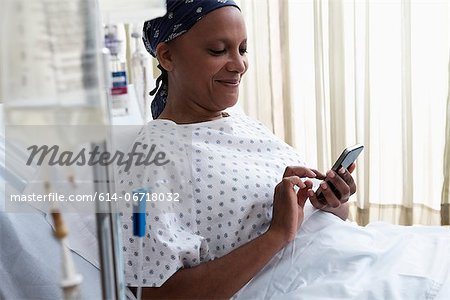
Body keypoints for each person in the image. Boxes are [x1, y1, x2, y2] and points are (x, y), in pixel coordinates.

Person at [117, 1, 450, 299]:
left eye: (243, 49)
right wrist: (276, 234)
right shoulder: (149, 160)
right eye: (218, 51)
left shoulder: (243, 124)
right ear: (167, 56)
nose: (239, 65)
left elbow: (320, 225)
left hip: (362, 253)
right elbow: (158, 294)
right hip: (312, 280)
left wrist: (331, 202)